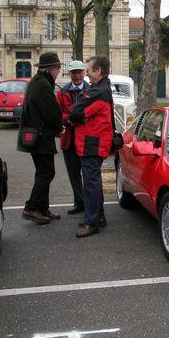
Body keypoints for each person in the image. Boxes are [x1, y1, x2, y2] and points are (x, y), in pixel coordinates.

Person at [69, 55, 114, 238]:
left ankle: (92, 221)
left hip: (92, 142)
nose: (86, 73)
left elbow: (75, 111)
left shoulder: (98, 92)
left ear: (98, 71)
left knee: (91, 183)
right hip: (93, 141)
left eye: (89, 70)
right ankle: (98, 216)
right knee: (92, 181)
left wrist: (76, 116)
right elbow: (79, 111)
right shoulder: (99, 89)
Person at [18, 52, 64, 224]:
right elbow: (50, 111)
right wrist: (59, 127)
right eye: (57, 69)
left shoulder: (36, 82)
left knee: (43, 172)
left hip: (37, 134)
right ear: (51, 69)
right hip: (41, 136)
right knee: (46, 172)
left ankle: (42, 208)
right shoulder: (42, 84)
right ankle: (31, 207)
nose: (58, 72)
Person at [56, 60, 90, 215]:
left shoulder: (92, 91)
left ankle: (90, 203)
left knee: (89, 174)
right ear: (69, 74)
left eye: (79, 72)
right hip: (69, 139)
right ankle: (79, 202)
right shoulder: (62, 92)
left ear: (84, 73)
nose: (76, 75)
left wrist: (81, 118)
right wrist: (70, 118)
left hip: (87, 139)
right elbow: (57, 113)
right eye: (73, 72)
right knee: (74, 174)